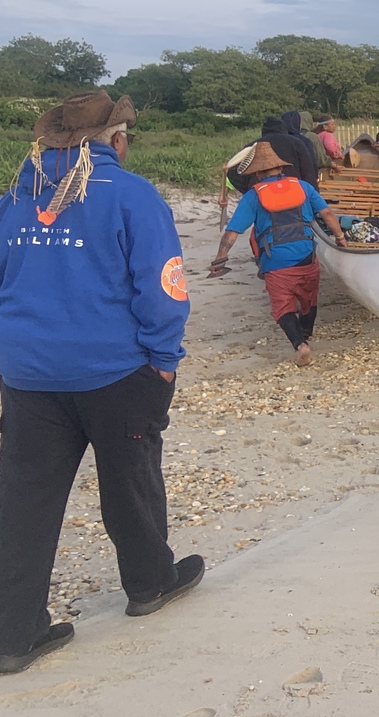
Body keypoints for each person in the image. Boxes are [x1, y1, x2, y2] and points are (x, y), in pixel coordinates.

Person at [0, 92, 203, 674]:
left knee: (24, 500)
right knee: (130, 480)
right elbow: (162, 288)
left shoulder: (17, 197)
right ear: (116, 140)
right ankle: (148, 585)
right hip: (115, 371)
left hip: (27, 374)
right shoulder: (133, 195)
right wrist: (163, 359)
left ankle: (13, 634)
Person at [210, 143, 346, 366]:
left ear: (258, 173)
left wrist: (219, 258)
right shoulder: (302, 187)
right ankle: (306, 334)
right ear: (280, 168)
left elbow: (232, 232)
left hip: (276, 261)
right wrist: (340, 237)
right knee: (308, 299)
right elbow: (327, 213)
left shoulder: (253, 197)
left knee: (283, 306)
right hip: (306, 255)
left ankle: (300, 345)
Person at [247, 114, 317, 188]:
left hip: (261, 191)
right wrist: (311, 192)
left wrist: (248, 189)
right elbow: (308, 171)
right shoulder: (296, 143)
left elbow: (236, 173)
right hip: (294, 189)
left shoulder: (253, 146)